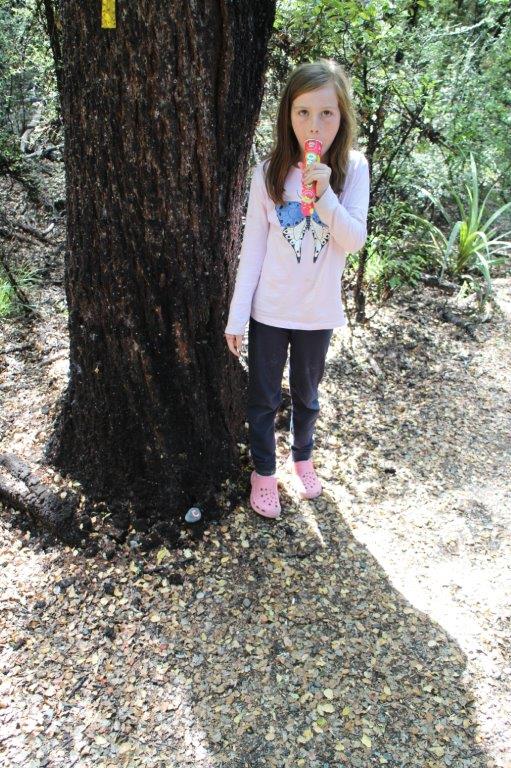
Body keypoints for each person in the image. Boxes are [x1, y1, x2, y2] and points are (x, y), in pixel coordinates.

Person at [224, 58, 370, 519]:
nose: (314, 125)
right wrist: (237, 316)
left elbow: (353, 239)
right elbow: (252, 250)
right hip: (270, 310)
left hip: (317, 312)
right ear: (288, 114)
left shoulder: (353, 169)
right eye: (303, 112)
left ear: (342, 116)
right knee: (264, 397)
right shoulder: (268, 172)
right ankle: (264, 471)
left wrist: (325, 194)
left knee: (307, 395)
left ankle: (302, 458)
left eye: (326, 113)